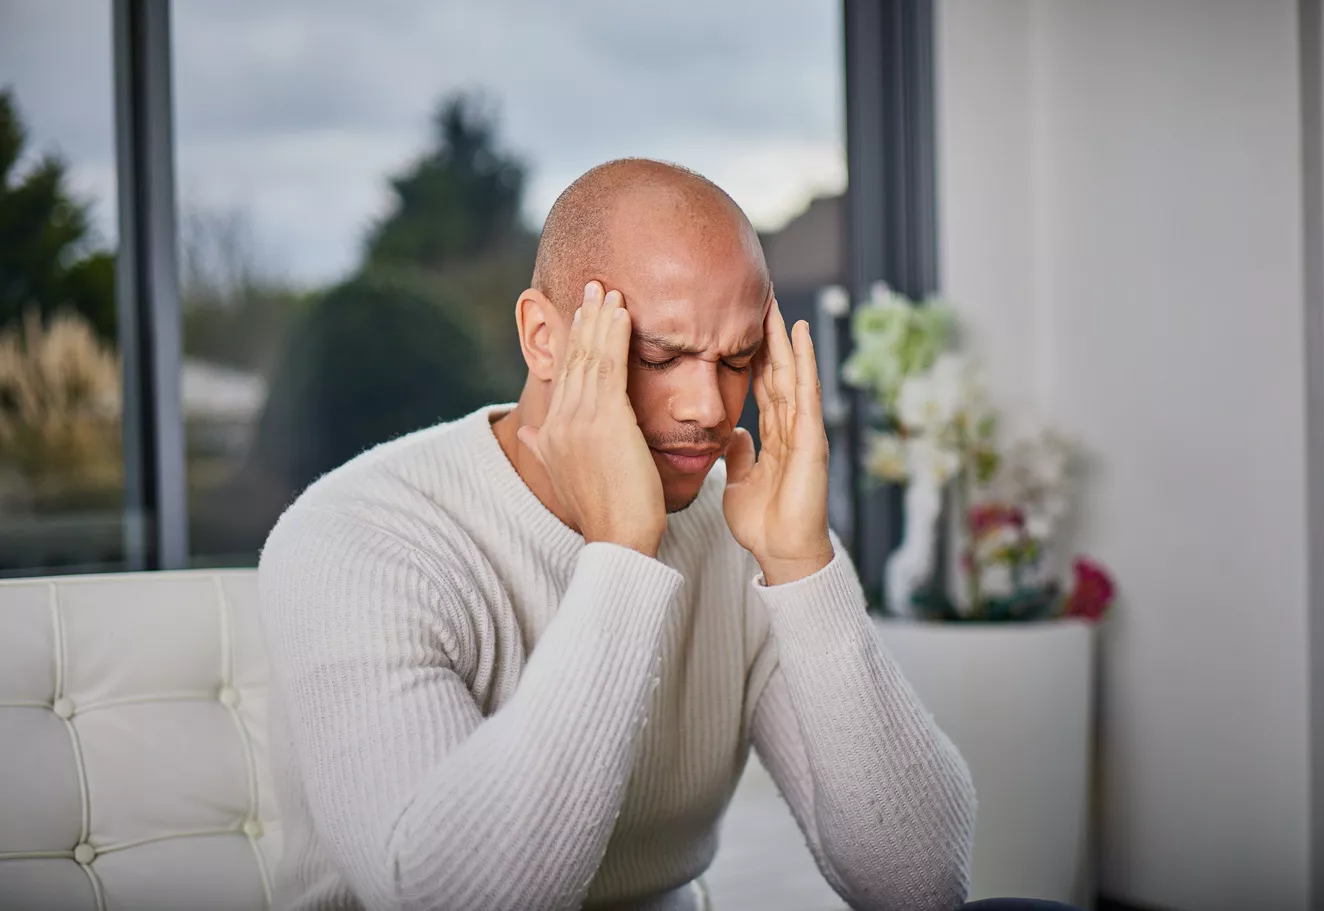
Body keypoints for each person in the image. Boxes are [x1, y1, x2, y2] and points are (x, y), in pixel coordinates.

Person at [258, 159, 982, 911]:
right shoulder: (358, 536)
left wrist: (803, 566)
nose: (708, 407)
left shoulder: (738, 524)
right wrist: (621, 556)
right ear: (543, 337)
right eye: (659, 356)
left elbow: (921, 886)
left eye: (736, 359)